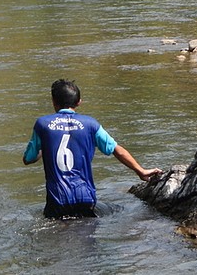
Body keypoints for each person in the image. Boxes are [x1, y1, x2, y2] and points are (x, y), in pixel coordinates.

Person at [23, 79, 162, 219]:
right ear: (79, 102)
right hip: (85, 197)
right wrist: (141, 170)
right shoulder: (91, 124)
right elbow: (116, 149)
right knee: (86, 236)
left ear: (53, 101)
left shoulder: (42, 124)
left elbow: (28, 158)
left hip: (57, 199)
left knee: (57, 235)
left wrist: (44, 147)